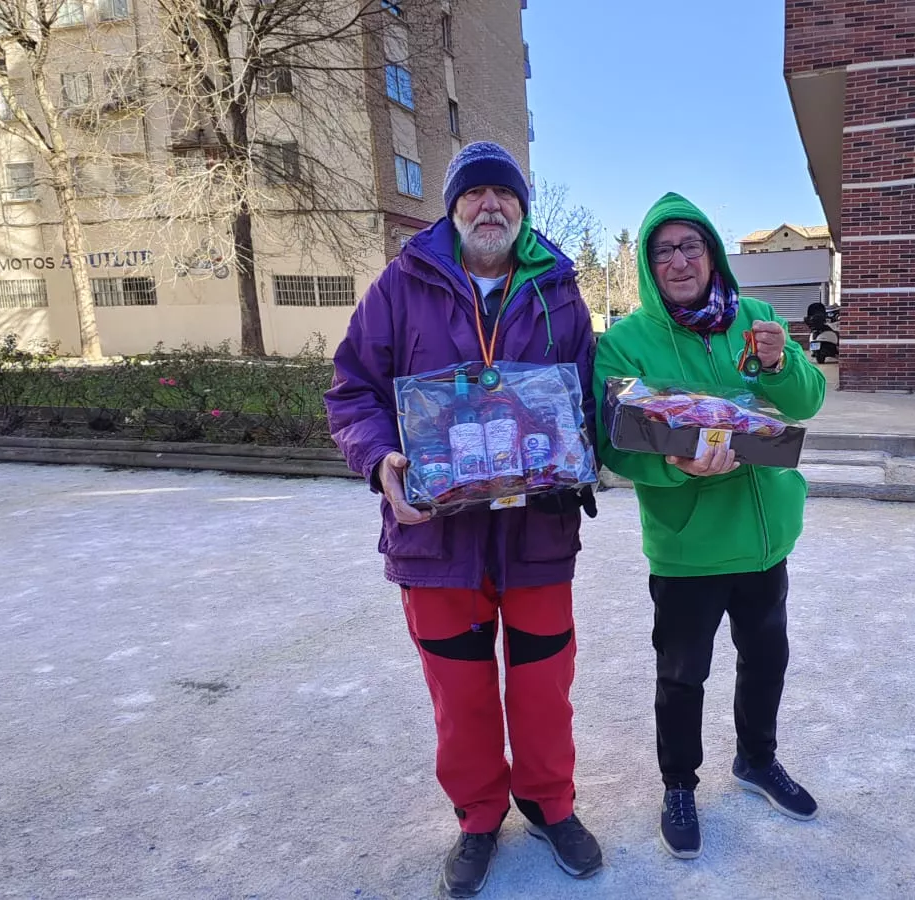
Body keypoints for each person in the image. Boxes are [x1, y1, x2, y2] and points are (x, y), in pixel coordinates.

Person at [325, 141, 603, 898]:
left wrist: (619, 439)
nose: (490, 206)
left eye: (504, 195)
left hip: (538, 532)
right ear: (452, 209)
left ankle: (549, 804)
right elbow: (351, 393)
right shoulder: (398, 287)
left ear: (522, 208)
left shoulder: (559, 291)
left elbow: (585, 398)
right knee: (460, 688)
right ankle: (479, 815)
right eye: (474, 194)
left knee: (544, 683)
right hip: (435, 538)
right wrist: (380, 459)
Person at [592, 193, 827, 860]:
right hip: (687, 546)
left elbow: (807, 402)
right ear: (647, 263)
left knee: (766, 658)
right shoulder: (626, 344)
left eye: (690, 245)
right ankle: (679, 786)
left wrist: (783, 364)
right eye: (663, 249)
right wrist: (675, 469)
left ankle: (757, 759)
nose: (679, 259)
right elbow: (614, 446)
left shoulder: (754, 319)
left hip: (761, 538)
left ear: (712, 253)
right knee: (681, 674)